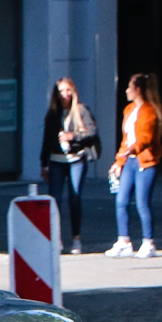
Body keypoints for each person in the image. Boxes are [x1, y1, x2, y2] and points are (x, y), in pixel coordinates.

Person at [106, 72, 162, 258]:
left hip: (145, 161)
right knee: (121, 201)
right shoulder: (128, 110)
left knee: (142, 202)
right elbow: (125, 139)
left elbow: (146, 137)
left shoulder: (149, 111)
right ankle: (124, 241)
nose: (126, 91)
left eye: (129, 88)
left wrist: (134, 149)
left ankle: (149, 242)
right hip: (129, 161)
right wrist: (119, 161)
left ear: (138, 90)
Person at [39, 79, 99, 252]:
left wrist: (73, 137)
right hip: (56, 160)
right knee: (55, 199)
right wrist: (44, 164)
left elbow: (92, 133)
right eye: (61, 91)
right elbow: (46, 140)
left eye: (68, 90)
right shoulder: (53, 114)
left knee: (75, 198)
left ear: (74, 91)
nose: (65, 94)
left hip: (76, 160)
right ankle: (55, 237)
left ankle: (76, 238)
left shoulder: (81, 110)